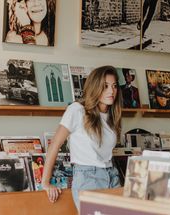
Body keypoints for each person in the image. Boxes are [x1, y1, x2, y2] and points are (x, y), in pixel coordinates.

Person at [42, 65, 122, 211]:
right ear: (95, 87)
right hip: (88, 178)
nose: (111, 91)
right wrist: (45, 182)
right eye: (105, 86)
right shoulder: (77, 110)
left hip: (112, 175)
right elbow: (55, 144)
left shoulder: (112, 116)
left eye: (114, 86)